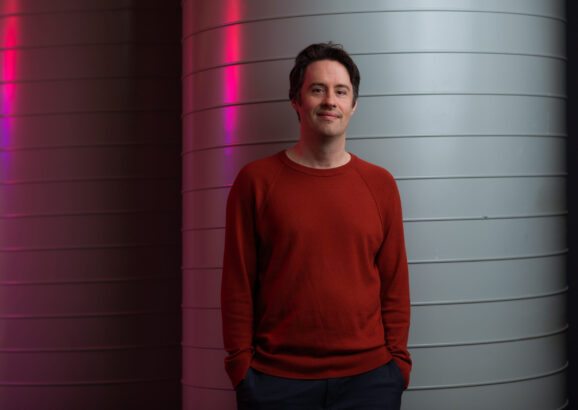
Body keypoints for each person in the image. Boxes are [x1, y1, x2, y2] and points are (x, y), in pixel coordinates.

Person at [221, 42, 411, 410]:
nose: (329, 101)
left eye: (341, 91)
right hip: (275, 382)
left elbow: (394, 283)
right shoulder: (256, 181)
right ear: (296, 100)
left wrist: (397, 366)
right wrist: (241, 369)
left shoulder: (380, 184)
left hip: (369, 381)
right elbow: (237, 284)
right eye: (317, 89)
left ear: (353, 105)